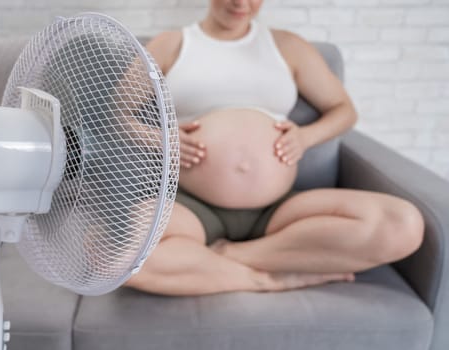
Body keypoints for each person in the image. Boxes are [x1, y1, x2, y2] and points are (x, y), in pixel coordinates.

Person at [125, 0, 424, 296]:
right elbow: (113, 114)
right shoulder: (172, 44)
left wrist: (306, 137)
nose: (241, 3)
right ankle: (264, 279)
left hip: (279, 213)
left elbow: (344, 109)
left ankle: (230, 257)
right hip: (191, 207)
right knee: (117, 252)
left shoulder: (287, 46)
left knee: (403, 224)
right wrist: (161, 138)